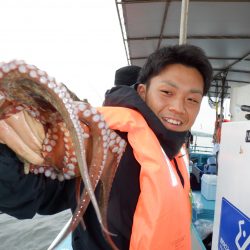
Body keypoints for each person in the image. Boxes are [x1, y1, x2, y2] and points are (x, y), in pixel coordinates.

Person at [0, 44, 212, 250]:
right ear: (142, 91)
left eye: (192, 99)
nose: (178, 108)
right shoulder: (100, 143)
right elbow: (35, 195)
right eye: (167, 92)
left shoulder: (175, 149)